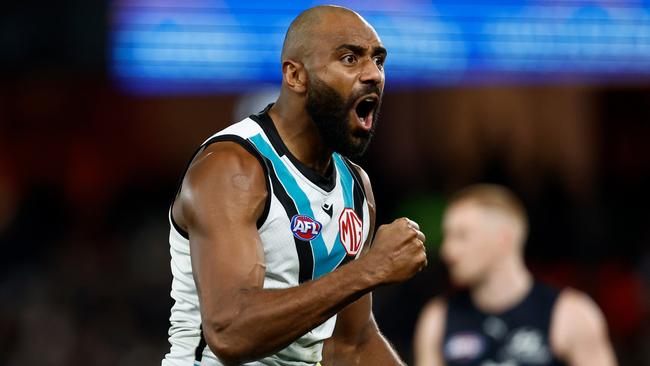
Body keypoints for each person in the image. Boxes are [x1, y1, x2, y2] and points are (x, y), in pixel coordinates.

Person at [162, 5, 428, 366]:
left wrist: (365, 274)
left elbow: (353, 344)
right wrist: (368, 270)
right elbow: (229, 331)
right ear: (295, 76)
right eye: (350, 59)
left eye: (378, 61)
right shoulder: (234, 167)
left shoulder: (355, 186)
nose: (373, 75)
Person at [413, 184, 617, 366]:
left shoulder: (570, 314)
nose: (448, 251)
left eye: (462, 236)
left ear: (504, 239)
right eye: (447, 236)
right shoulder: (437, 319)